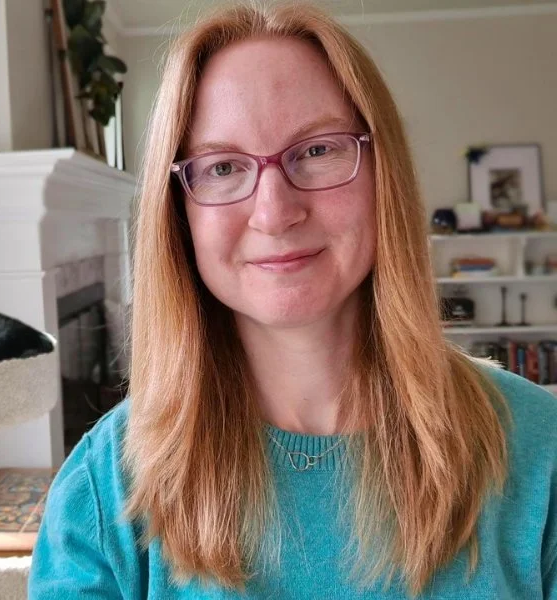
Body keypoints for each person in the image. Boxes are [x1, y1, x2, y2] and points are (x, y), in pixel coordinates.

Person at [28, 2, 557, 598]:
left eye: (317, 150)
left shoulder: (541, 450)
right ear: (179, 214)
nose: (275, 212)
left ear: (385, 176)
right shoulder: (105, 488)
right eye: (223, 165)